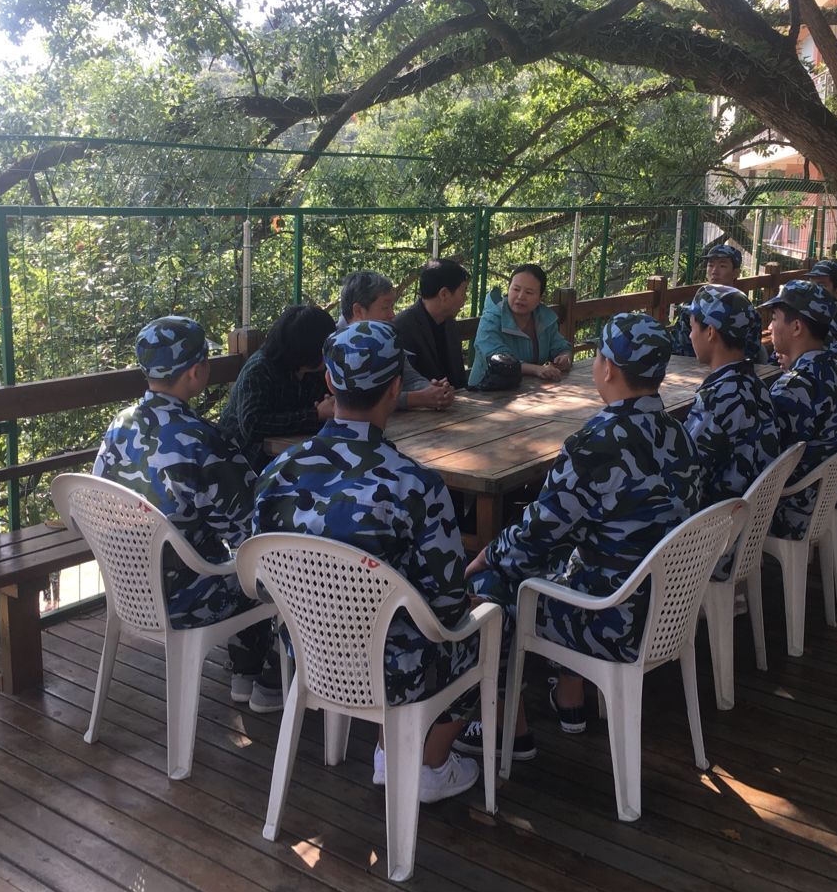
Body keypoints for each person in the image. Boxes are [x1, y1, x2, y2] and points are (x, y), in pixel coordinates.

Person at [252, 321, 481, 802]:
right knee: (488, 628)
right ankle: (429, 765)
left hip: (308, 652)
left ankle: (390, 751)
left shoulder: (278, 471)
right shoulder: (416, 485)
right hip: (394, 671)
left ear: (329, 382)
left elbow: (259, 576)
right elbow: (447, 605)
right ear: (396, 387)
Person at [458, 313, 701, 756]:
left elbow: (537, 533)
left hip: (611, 618)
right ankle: (569, 701)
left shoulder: (597, 443)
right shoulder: (679, 433)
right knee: (564, 558)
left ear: (607, 368)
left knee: (491, 585)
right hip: (666, 606)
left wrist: (488, 555)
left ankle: (507, 730)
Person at [93, 316, 282, 713]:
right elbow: (254, 531)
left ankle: (246, 671)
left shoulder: (119, 425)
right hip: (187, 599)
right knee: (277, 570)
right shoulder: (202, 440)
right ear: (196, 372)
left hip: (128, 588)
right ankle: (271, 681)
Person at [683, 285, 780, 577]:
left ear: (710, 332)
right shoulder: (755, 385)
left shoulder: (718, 397)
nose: (690, 335)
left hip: (714, 540)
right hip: (748, 528)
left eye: (693, 327)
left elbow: (686, 473)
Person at [763, 282, 837, 539]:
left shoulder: (794, 387)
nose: (769, 328)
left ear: (796, 327)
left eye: (774, 318)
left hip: (797, 509)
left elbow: (766, 463)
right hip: (833, 496)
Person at [218, 305, 336, 471]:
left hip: (289, 458)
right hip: (243, 467)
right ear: (309, 348)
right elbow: (252, 425)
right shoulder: (259, 370)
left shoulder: (315, 371)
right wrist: (315, 415)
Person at [337, 270, 455, 411]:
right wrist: (418, 398)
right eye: (385, 307)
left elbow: (410, 379)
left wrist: (435, 391)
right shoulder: (335, 344)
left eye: (392, 307)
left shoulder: (387, 337)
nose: (392, 315)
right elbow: (360, 398)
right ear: (358, 311)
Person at [468, 264, 573, 387]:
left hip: (528, 389)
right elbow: (497, 359)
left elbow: (561, 347)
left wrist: (564, 357)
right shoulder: (491, 318)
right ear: (508, 290)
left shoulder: (544, 318)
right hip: (484, 391)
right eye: (516, 289)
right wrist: (537, 369)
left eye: (529, 292)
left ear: (540, 298)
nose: (521, 296)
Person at [670, 243, 763, 362]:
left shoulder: (745, 311)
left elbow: (750, 353)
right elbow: (678, 351)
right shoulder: (693, 310)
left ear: (736, 272)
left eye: (722, 266)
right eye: (710, 265)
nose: (714, 271)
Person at [393, 259, 470, 389]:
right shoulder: (403, 327)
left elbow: (459, 379)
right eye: (463, 292)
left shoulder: (449, 323)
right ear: (444, 294)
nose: (465, 299)